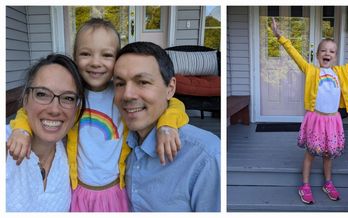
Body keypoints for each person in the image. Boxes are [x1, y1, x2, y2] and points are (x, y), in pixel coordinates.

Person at [7, 18, 189, 212]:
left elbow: (172, 104)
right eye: (86, 54)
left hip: (115, 190)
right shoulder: (72, 94)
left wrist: (167, 125)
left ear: (117, 61)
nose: (95, 63)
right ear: (75, 58)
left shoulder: (121, 94)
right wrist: (22, 130)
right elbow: (31, 108)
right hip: (78, 190)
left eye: (107, 55)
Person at [270, 18, 348, 204]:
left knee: (328, 154)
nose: (327, 53)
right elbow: (294, 54)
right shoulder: (311, 71)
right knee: (311, 153)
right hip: (316, 119)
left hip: (333, 120)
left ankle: (327, 183)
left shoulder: (342, 71)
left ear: (335, 56)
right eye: (323, 50)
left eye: (331, 51)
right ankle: (304, 185)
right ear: (317, 55)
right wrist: (279, 36)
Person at [113, 41, 220, 212]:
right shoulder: (116, 141)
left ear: (170, 88)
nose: (127, 95)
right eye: (119, 84)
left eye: (142, 82)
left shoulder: (204, 157)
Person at [6, 54, 85, 211]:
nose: (54, 110)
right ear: (26, 100)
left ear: (76, 109)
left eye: (68, 98)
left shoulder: (73, 150)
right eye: (42, 94)